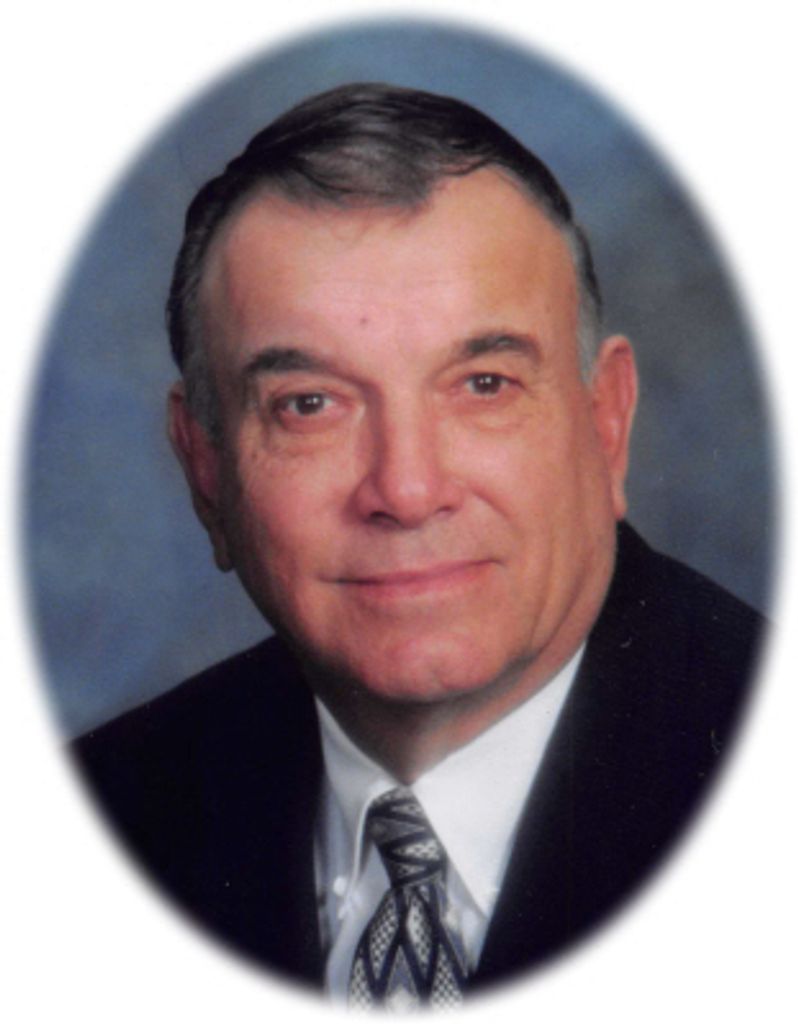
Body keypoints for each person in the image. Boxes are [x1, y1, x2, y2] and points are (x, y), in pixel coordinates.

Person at [73, 83, 763, 1008]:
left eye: (483, 385)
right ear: (204, 468)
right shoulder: (87, 824)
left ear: (606, 424)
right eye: (309, 405)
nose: (405, 490)